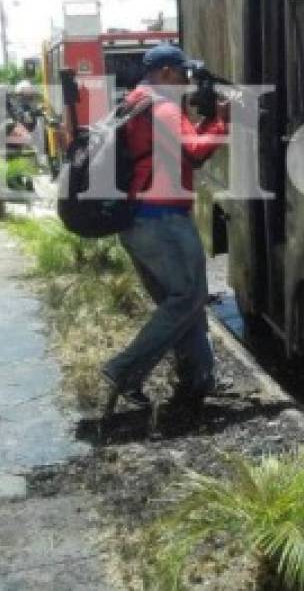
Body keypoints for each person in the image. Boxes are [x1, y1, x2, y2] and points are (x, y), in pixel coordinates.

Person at [101, 43, 229, 411]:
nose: (188, 80)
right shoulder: (164, 105)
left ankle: (199, 380)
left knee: (180, 304)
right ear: (168, 72)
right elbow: (197, 153)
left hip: (137, 219)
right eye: (184, 73)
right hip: (162, 219)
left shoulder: (136, 101)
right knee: (188, 299)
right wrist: (222, 120)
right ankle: (123, 370)